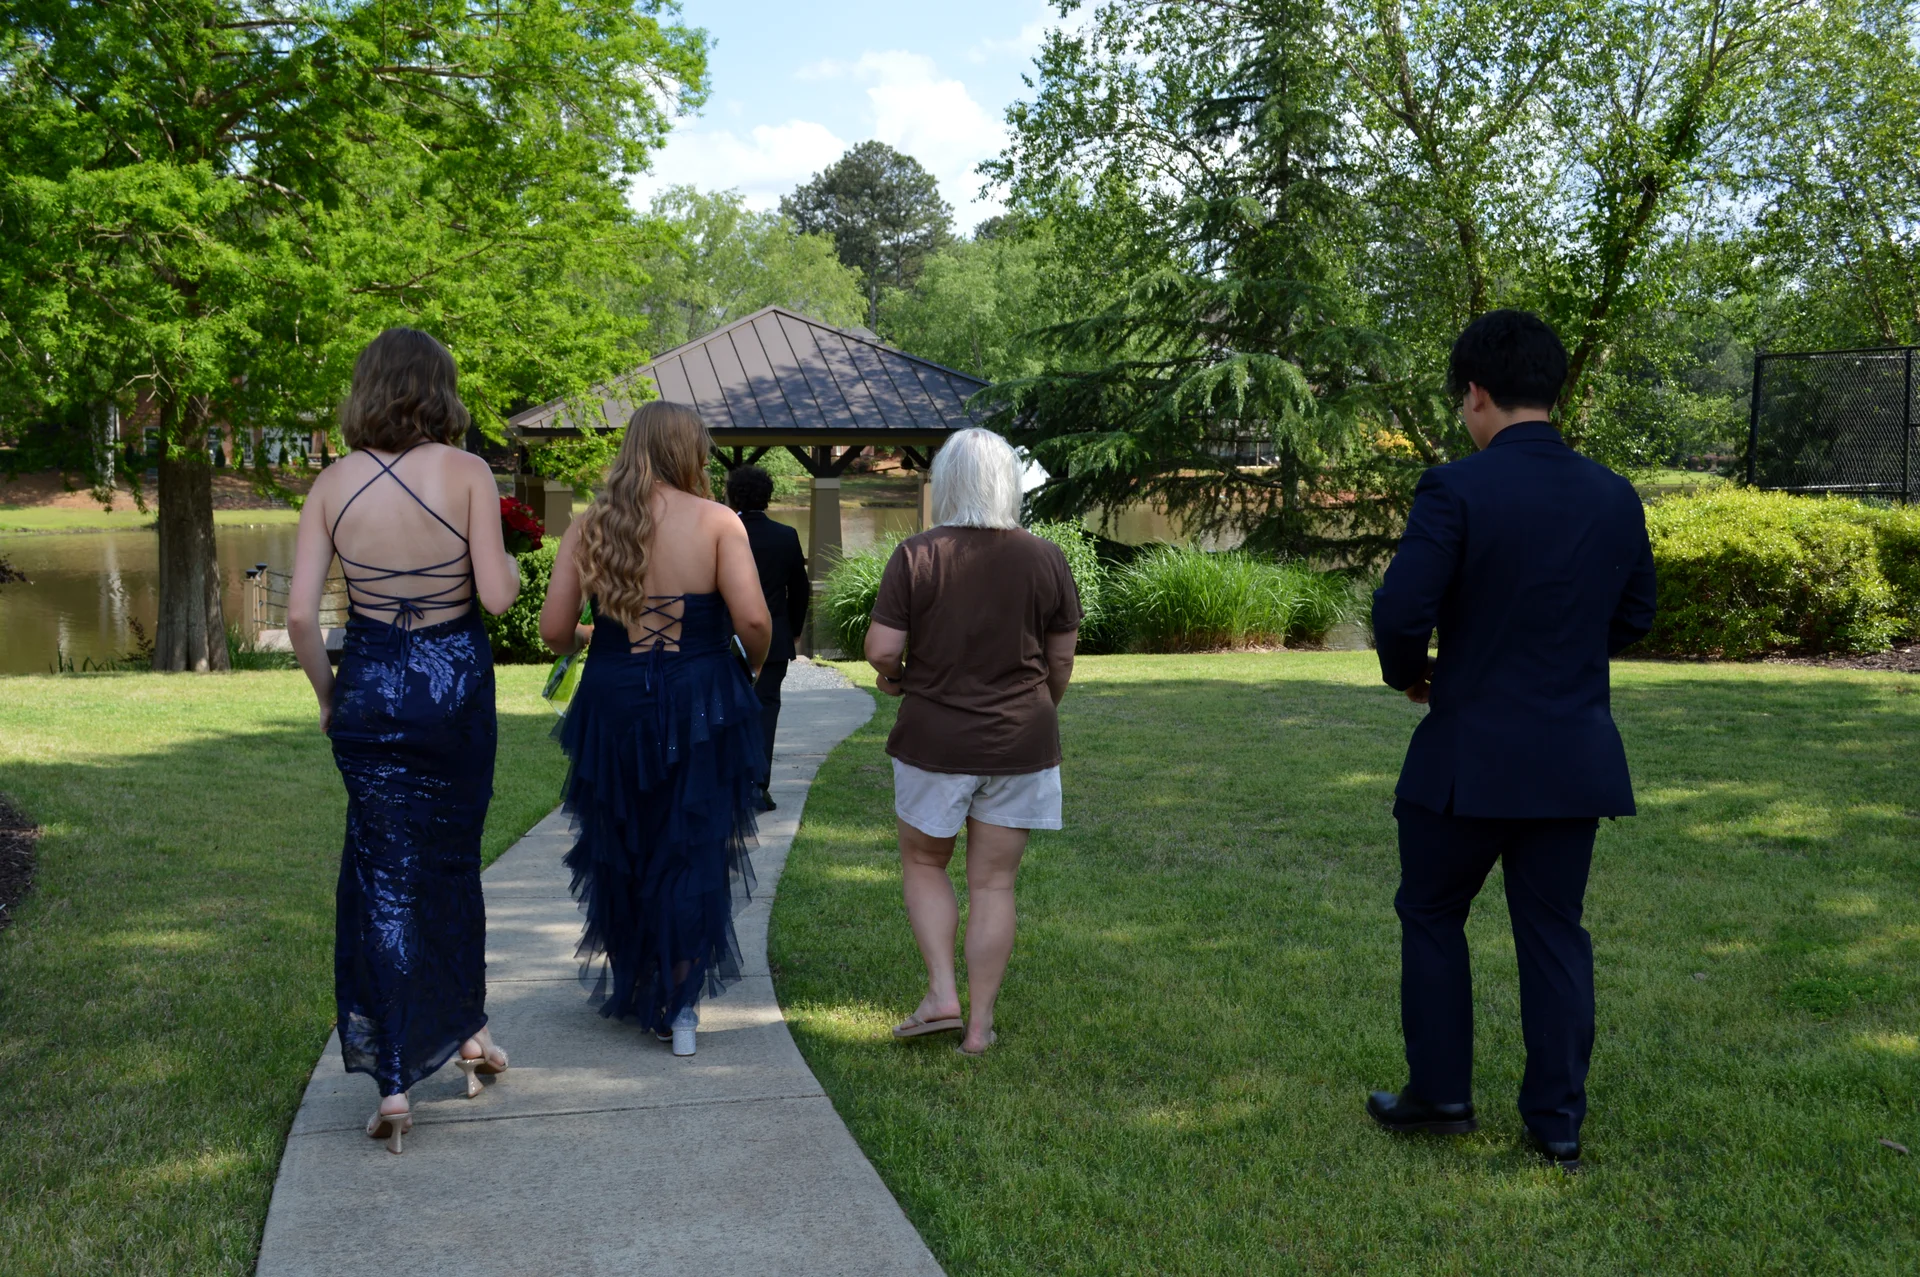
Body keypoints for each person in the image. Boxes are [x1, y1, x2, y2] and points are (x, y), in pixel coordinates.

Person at [1366, 310, 1657, 1173]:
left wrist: (1411, 674)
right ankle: (1557, 1122)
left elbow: (1399, 611)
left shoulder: (1455, 488)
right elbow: (1635, 615)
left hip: (1468, 753)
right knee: (1554, 929)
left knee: (1431, 911)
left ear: (1476, 394)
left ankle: (1441, 1094)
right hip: (1573, 755)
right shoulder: (1614, 494)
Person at [288, 328, 524, 1154]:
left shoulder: (331, 483)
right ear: (439, 389)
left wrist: (329, 696)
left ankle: (396, 1080)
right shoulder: (466, 472)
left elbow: (299, 617)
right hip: (452, 688)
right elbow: (497, 596)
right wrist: (514, 565)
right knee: (453, 862)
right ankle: (468, 1031)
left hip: (370, 683)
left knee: (384, 878)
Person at [538, 402, 771, 1057]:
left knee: (622, 835)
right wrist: (749, 670)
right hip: (699, 695)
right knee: (692, 840)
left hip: (614, 697)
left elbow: (554, 631)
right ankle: (682, 1002)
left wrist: (597, 636)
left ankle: (641, 981)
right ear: (688, 452)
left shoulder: (590, 525)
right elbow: (754, 620)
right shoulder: (719, 521)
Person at [864, 428, 1081, 1057]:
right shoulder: (1047, 557)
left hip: (935, 739)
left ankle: (941, 994)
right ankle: (980, 1027)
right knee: (994, 884)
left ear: (948, 482)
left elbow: (881, 649)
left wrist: (895, 679)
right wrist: (1040, 707)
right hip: (1022, 740)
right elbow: (1061, 660)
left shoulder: (917, 553)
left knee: (925, 862)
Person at [724, 464, 810, 812]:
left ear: (732, 496)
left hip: (724, 639)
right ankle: (758, 787)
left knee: (722, 709)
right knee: (765, 710)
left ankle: (725, 784)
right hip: (774, 638)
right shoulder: (786, 535)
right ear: (768, 497)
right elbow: (800, 590)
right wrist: (794, 629)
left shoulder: (721, 534)